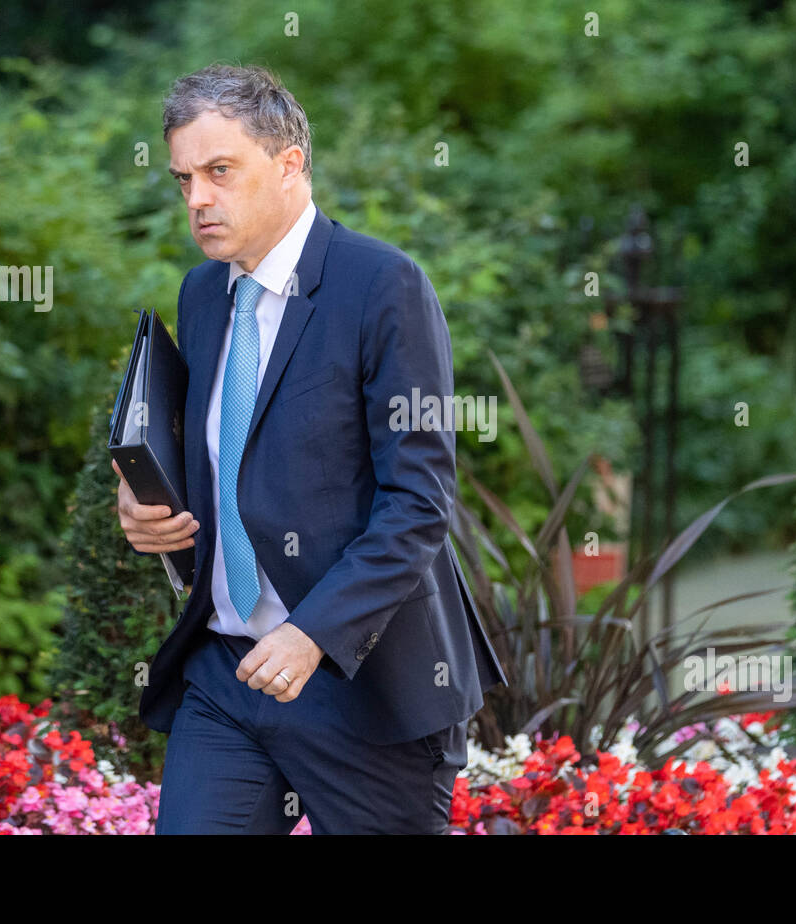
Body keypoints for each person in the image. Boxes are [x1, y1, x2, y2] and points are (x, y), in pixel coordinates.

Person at [113, 63, 507, 834]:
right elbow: (229, 457)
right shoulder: (203, 293)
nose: (196, 199)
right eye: (183, 178)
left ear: (289, 163)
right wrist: (147, 506)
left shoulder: (384, 286)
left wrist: (313, 633)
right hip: (226, 674)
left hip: (365, 684)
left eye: (219, 171)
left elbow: (419, 504)